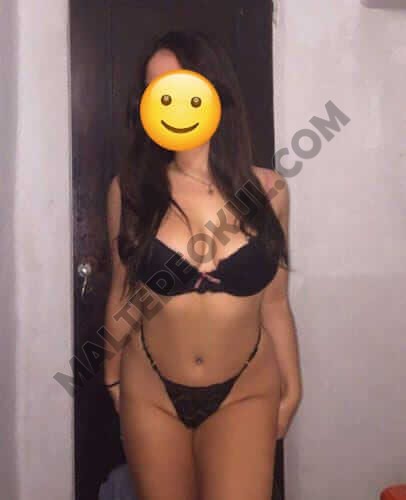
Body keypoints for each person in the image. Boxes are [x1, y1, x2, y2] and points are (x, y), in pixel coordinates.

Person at [103, 30, 302, 500]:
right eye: (156, 92)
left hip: (246, 390)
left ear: (213, 91)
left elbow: (275, 302)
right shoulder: (128, 191)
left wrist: (294, 386)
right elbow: (122, 292)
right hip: (151, 391)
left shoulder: (270, 191)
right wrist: (111, 374)